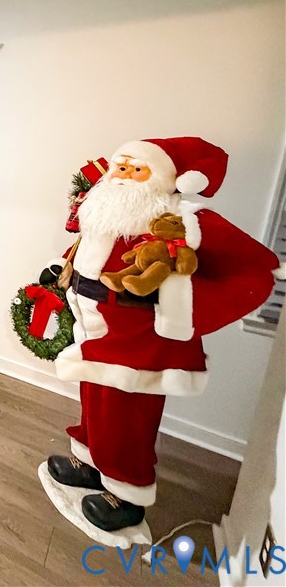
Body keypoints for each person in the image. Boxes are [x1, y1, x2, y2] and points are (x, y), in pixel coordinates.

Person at [41, 137, 279, 532]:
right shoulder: (105, 212)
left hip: (139, 343)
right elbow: (83, 253)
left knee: (128, 419)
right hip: (94, 331)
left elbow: (251, 263)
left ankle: (127, 494)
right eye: (121, 167)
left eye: (138, 169)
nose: (124, 177)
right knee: (94, 402)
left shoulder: (179, 220)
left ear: (167, 177)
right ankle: (90, 461)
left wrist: (188, 308)